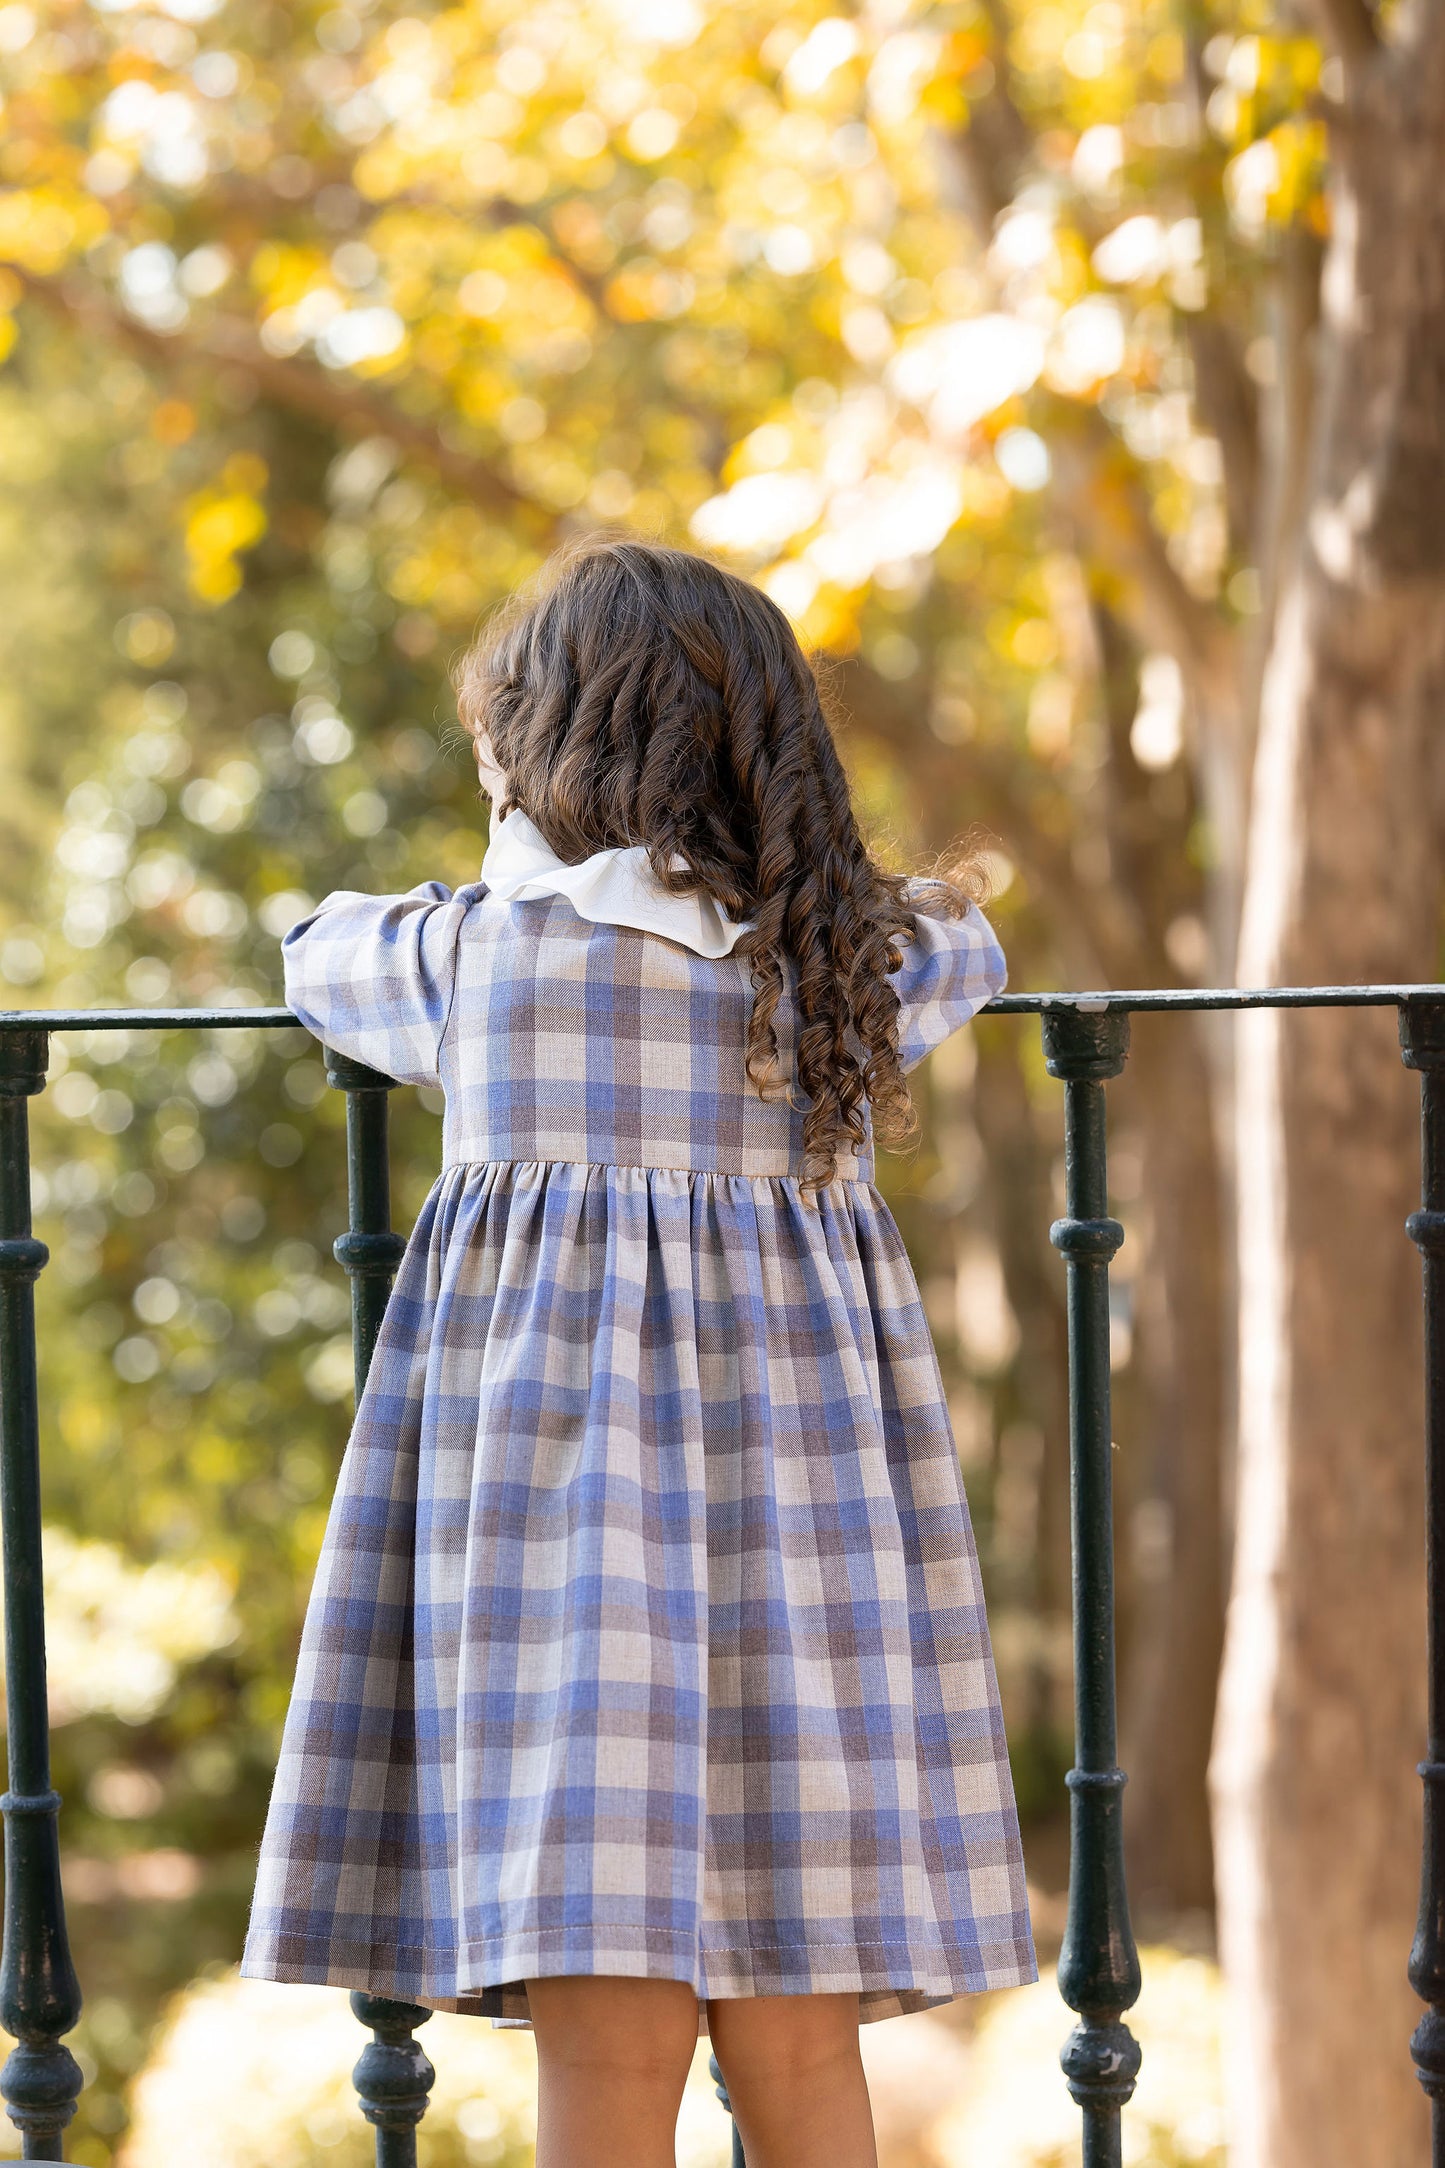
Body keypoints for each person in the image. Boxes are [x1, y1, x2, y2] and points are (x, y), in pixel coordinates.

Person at [241, 538, 1036, 2168]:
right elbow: (972, 941)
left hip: (566, 1585)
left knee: (609, 2058)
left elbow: (311, 945)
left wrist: (504, 838)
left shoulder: (474, 959)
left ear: (540, 755)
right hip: (802, 1572)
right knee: (802, 2050)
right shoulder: (844, 965)